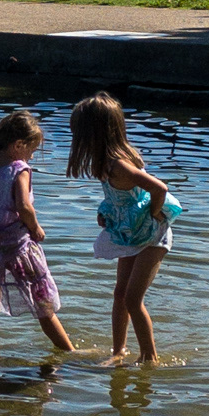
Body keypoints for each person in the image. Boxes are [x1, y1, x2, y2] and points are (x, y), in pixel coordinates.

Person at [67, 93, 183, 364]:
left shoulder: (119, 165)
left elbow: (159, 188)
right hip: (131, 231)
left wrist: (153, 216)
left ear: (93, 133)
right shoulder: (104, 162)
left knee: (132, 298)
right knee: (120, 294)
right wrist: (105, 212)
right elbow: (120, 197)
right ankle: (119, 352)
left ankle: (149, 358)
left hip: (152, 234)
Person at [0, 110, 73, 351]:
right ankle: (69, 352)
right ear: (18, 145)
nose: (32, 156)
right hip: (17, 248)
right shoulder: (19, 169)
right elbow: (23, 205)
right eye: (32, 150)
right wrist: (36, 228)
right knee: (43, 305)